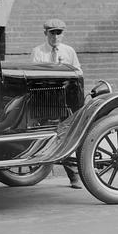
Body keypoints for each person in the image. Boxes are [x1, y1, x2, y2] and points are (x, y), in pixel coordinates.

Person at [30, 18, 83, 188]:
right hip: (46, 101)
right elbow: (32, 76)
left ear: (63, 34)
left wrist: (65, 70)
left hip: (64, 100)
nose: (55, 36)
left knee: (66, 136)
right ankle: (36, 171)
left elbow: (78, 72)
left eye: (58, 33)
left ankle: (74, 176)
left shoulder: (69, 51)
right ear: (46, 33)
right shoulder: (38, 52)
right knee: (47, 135)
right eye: (52, 32)